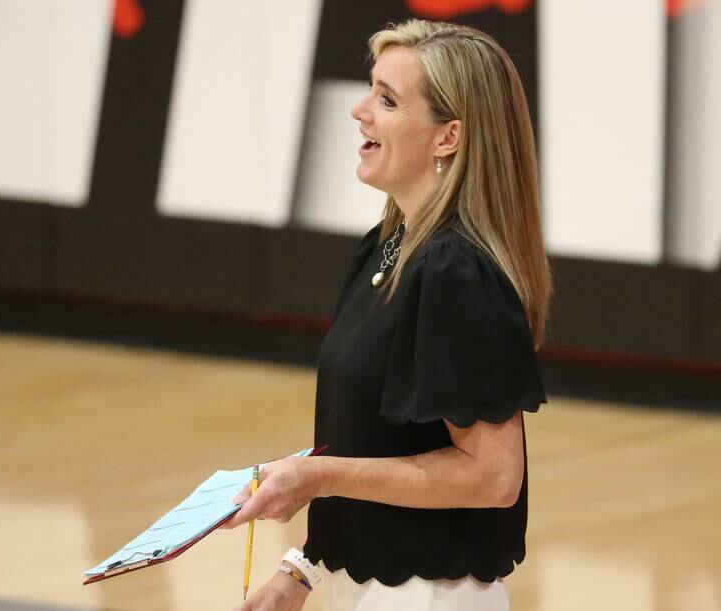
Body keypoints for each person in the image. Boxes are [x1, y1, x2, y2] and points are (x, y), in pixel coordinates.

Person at [222, 18, 551, 611]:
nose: (359, 110)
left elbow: (493, 478)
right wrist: (300, 570)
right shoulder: (389, 245)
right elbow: (370, 442)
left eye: (387, 99)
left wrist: (318, 478)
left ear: (447, 137)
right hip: (364, 590)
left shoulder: (457, 272)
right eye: (371, 89)